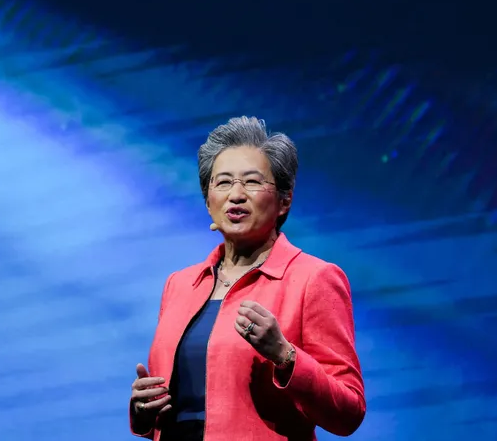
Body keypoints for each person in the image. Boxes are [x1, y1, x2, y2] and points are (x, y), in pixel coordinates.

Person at [128, 116, 365, 441]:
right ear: (208, 201)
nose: (236, 194)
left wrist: (285, 356)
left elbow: (348, 412)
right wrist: (144, 411)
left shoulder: (314, 278)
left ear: (284, 200)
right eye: (223, 183)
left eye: (252, 182)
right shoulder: (180, 284)